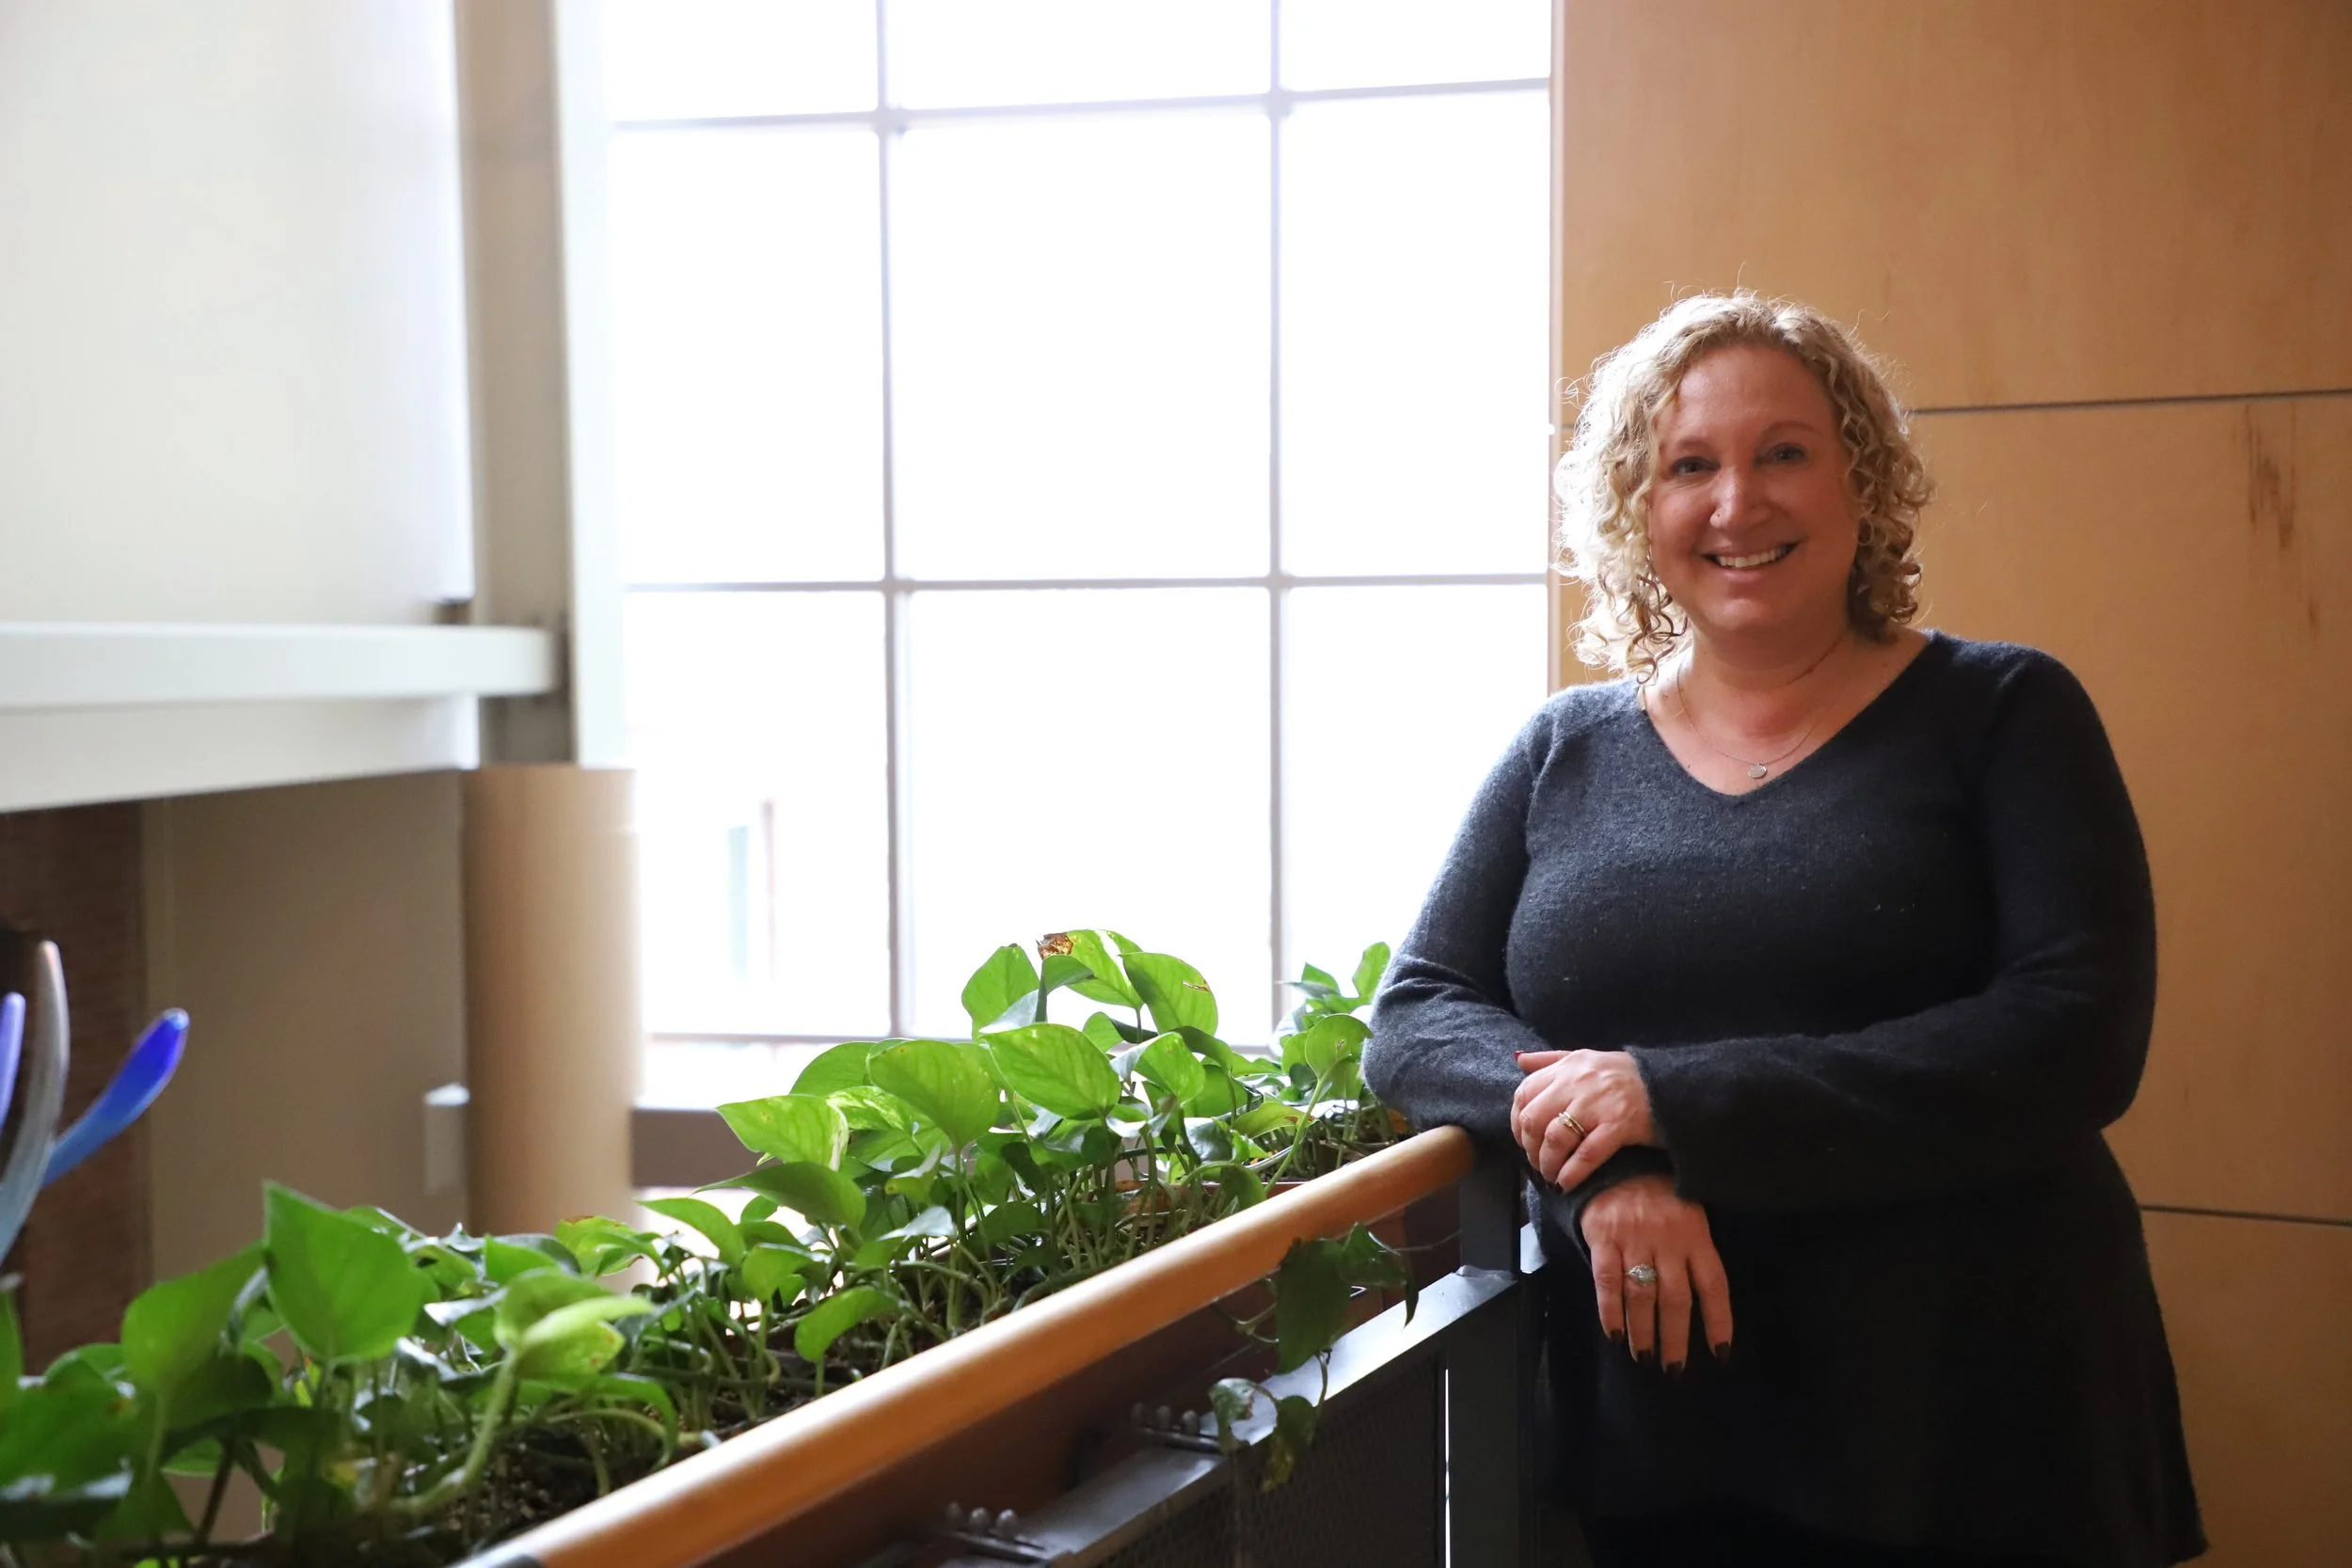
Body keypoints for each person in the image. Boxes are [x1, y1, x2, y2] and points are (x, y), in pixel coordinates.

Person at [1362, 293, 2204, 1568]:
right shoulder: (1563, 748)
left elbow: (2075, 1037)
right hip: (1669, 1428)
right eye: (1689, 464)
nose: (1736, 503)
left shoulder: (2005, 711)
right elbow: (1421, 1012)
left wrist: (1672, 1100)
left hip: (1975, 1417)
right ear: (1637, 514)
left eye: (1785, 453)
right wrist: (1609, 1161)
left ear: (1863, 485)